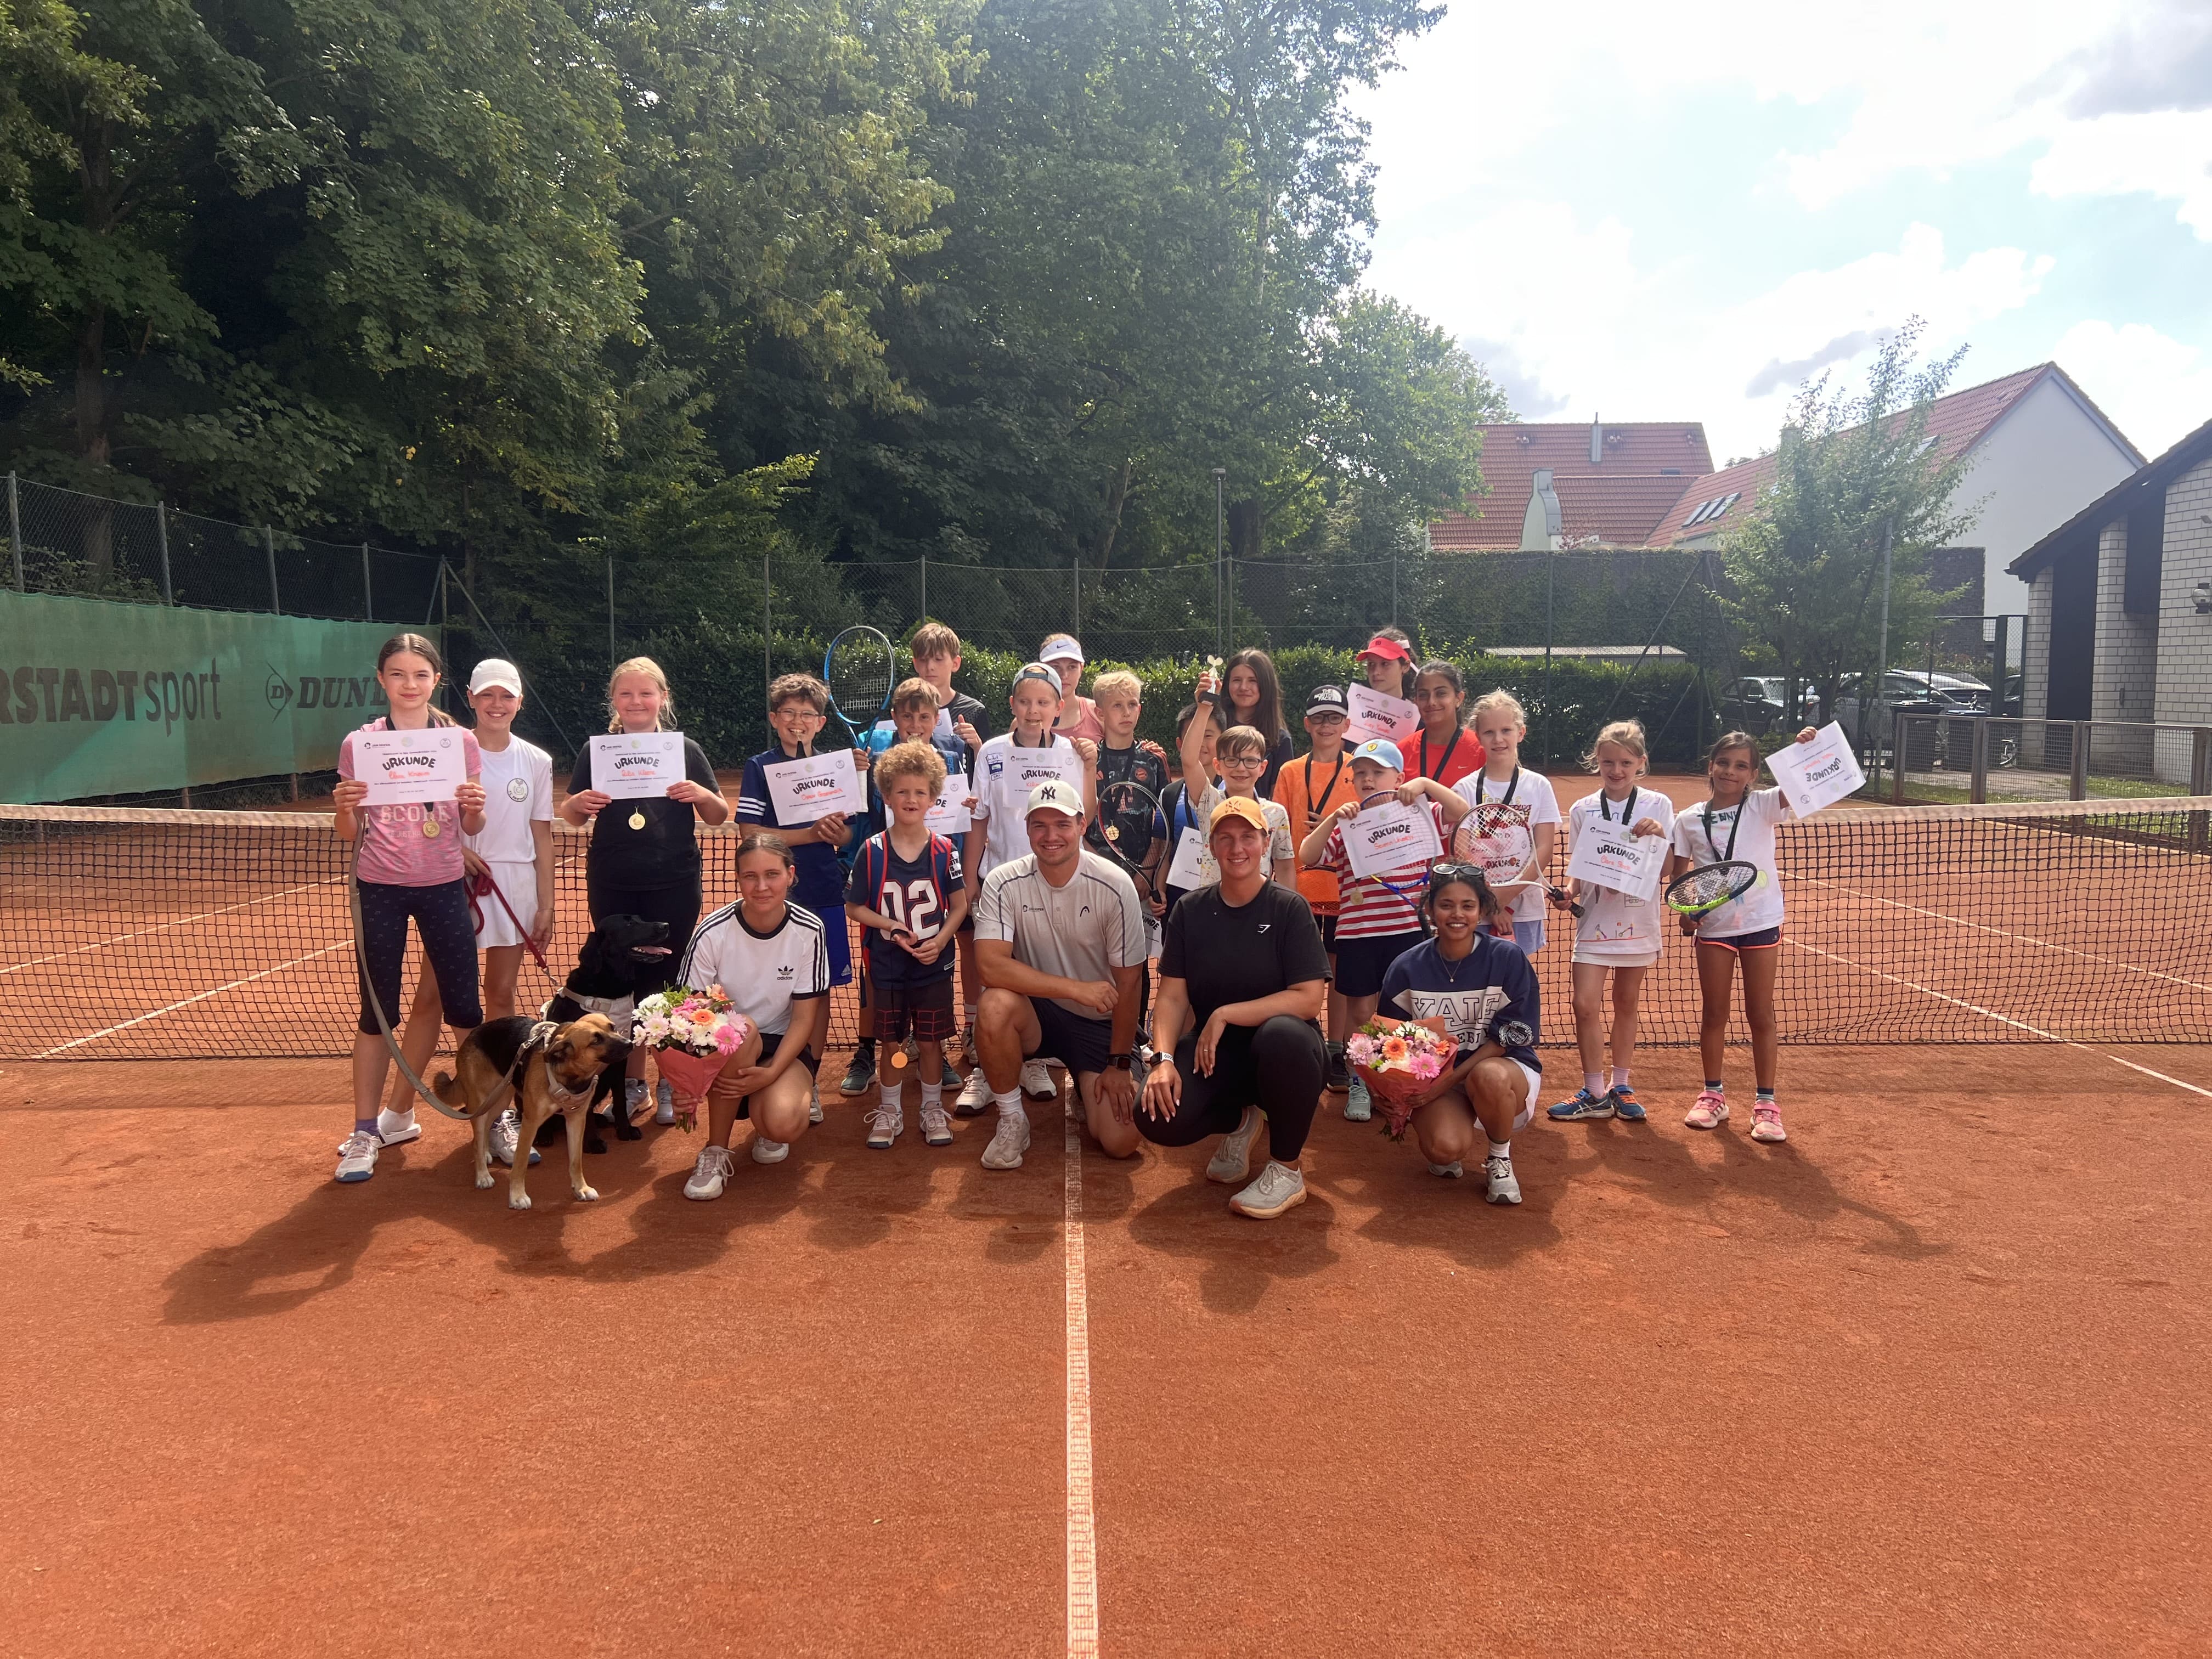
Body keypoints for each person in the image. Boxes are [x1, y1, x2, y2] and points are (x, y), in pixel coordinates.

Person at [379, 657, 555, 1171]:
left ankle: (497, 1116)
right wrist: (455, 851)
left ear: (519, 702)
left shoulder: (537, 761)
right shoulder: (444, 752)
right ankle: (397, 1113)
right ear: (472, 700)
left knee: (501, 996)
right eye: (487, 696)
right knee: (430, 998)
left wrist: (544, 904)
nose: (497, 704)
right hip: (451, 885)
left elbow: (541, 835)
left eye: (507, 696)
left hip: (514, 888)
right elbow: (421, 816)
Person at [331, 633, 486, 1184]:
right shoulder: (361, 744)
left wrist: (473, 809)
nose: (409, 684)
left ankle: (492, 1124)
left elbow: (471, 827)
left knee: (466, 1010)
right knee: (378, 1014)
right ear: (381, 680)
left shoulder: (461, 743)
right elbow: (348, 833)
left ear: (436, 682)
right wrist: (344, 808)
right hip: (381, 889)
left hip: (444, 885)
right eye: (398, 674)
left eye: (420, 675)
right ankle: (366, 1132)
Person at [1139, 797, 1330, 1219]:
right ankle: (1243, 1120)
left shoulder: (1289, 908)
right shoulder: (1190, 910)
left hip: (1286, 1054)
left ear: (1265, 841)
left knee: (1283, 1035)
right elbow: (1171, 997)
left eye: (1247, 836)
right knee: (1154, 1117)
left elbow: (1307, 999)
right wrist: (1164, 1059)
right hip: (1216, 1057)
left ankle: (1286, 1169)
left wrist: (1226, 1013)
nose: (1237, 847)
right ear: (1211, 846)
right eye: (1225, 838)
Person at [561, 657, 730, 1126]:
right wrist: (577, 803)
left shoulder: (686, 751)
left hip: (674, 884)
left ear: (664, 698)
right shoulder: (595, 753)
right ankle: (631, 1084)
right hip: (613, 884)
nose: (637, 702)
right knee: (623, 983)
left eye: (646, 693)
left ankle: (671, 1080)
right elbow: (572, 815)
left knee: (669, 982)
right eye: (627, 694)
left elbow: (718, 815)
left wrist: (700, 794)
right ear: (614, 701)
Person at [970, 780, 1148, 1169]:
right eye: (1040, 825)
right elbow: (990, 965)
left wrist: (1118, 1064)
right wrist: (1074, 990)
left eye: (1062, 824)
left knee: (1121, 1141)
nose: (1051, 836)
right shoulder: (1002, 882)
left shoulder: (1115, 885)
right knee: (995, 1005)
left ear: (1082, 826)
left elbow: (1130, 981)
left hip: (1100, 1026)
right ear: (1027, 828)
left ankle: (1092, 1088)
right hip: (1038, 1016)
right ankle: (1013, 1118)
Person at [1298, 738, 1471, 1122]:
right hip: (1358, 934)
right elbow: (1307, 855)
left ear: (1399, 776)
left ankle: (1400, 1083)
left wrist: (1425, 783)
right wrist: (1332, 819)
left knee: (1407, 1010)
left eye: (1378, 772)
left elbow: (1463, 811)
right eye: (1360, 773)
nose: (1368, 779)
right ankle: (1363, 1084)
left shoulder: (1421, 810)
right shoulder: (1347, 823)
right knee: (1361, 1011)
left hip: (1409, 932)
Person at [958, 663, 1098, 1111]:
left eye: (1043, 703)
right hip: (1000, 884)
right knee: (993, 974)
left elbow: (1085, 820)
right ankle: (986, 1068)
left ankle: (1034, 1060)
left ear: (1059, 708)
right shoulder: (992, 752)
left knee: (1037, 967)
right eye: (1024, 702)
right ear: (1012, 706)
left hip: (1054, 884)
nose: (1033, 711)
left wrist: (1091, 767)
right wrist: (970, 879)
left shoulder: (1073, 753)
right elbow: (979, 822)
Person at [1669, 726, 1819, 1143]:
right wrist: (1686, 913)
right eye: (1723, 763)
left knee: (1760, 1013)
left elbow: (1799, 784)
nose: (1729, 772)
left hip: (1761, 922)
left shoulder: (1765, 805)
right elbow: (1681, 876)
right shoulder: (1688, 819)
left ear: (1753, 773)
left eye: (1740, 766)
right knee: (1714, 1012)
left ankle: (1767, 1104)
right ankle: (1713, 1095)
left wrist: (1802, 749)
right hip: (1715, 927)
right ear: (1710, 766)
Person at [1376, 865, 1543, 1206]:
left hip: (1502, 1068)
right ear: (1430, 909)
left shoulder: (1507, 958)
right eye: (1446, 905)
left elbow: (1508, 1038)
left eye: (1468, 906)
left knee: (1489, 1076)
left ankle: (1499, 1157)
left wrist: (1444, 1083)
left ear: (1482, 910)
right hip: (1438, 1077)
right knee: (1443, 1150)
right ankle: (1452, 1131)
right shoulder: (1406, 967)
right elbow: (1388, 1041)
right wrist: (1385, 1088)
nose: (1457, 914)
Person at [678, 832, 832, 1197]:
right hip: (724, 1046)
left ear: (790, 875)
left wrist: (770, 1073)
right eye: (750, 876)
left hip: (781, 1048)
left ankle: (766, 1114)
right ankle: (715, 1150)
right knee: (741, 1028)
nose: (761, 886)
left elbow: (804, 1019)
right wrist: (689, 1080)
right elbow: (684, 1014)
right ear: (738, 879)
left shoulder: (810, 930)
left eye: (772, 875)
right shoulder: (711, 932)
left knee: (782, 1125)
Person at [735, 673, 857, 1125]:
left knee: (818, 991)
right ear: (775, 718)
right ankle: (760, 1064)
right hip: (773, 894)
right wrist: (809, 833)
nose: (798, 721)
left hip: (824, 889)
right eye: (789, 712)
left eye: (807, 714)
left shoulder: (835, 767)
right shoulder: (758, 766)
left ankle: (807, 1075)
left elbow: (847, 835)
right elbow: (749, 833)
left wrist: (836, 831)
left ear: (821, 722)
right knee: (771, 981)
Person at [847, 678, 969, 1097]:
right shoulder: (872, 849)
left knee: (932, 1034)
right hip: (888, 952)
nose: (911, 799)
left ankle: (933, 1098)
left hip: (933, 956)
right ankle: (889, 1100)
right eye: (902, 793)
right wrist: (890, 926)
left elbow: (958, 903)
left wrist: (941, 939)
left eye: (920, 793)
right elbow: (855, 904)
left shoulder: (944, 846)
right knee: (893, 1040)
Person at [1547, 720, 1674, 1124]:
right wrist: (1569, 894)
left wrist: (1658, 836)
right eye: (1607, 763)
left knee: (1626, 1003)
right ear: (1597, 763)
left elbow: (1667, 869)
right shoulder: (1584, 809)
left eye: (1625, 762)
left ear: (1641, 763)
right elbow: (1580, 872)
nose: (1616, 771)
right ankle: (1594, 1091)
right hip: (1595, 924)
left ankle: (1621, 1084)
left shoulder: (1659, 805)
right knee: (1584, 1005)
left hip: (1638, 920)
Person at [1272, 684, 1361, 1091]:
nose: (1327, 725)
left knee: (1343, 977)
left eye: (1335, 717)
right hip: (1301, 893)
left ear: (1347, 723)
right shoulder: (1291, 771)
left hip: (1347, 894)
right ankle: (1303, 1046)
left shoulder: (1360, 768)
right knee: (1302, 976)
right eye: (1319, 717)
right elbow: (1278, 827)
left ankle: (1337, 1048)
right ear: (1307, 724)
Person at [909, 623, 990, 1058]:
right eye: (922, 659)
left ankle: (975, 1028)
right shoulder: (901, 708)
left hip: (960, 846)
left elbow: (987, 777)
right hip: (911, 850)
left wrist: (977, 748)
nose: (930, 666)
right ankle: (922, 1030)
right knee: (917, 936)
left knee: (968, 939)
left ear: (954, 663)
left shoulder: (973, 710)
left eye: (938, 659)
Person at [1452, 690, 1560, 954]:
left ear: (1520, 733)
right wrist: (1489, 902)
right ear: (1478, 736)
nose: (1498, 739)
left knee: (1516, 985)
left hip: (1523, 909)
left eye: (1506, 730)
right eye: (1489, 732)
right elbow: (1462, 853)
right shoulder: (1463, 789)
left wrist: (1504, 900)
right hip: (1474, 908)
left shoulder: (1538, 786)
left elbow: (1544, 849)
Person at [1180, 665, 1296, 889]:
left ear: (1262, 768)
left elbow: (1285, 867)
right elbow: (1189, 760)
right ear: (1218, 765)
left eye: (1250, 761)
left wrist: (1289, 913)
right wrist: (1204, 708)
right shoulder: (1209, 802)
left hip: (1259, 909)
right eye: (1232, 760)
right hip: (1213, 906)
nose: (1241, 768)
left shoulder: (1276, 813)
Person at [1156, 696, 1226, 919]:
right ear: (1181, 744)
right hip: (1179, 896)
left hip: (1223, 893)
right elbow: (1164, 849)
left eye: (1209, 735)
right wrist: (1159, 888)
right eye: (1195, 736)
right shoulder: (1170, 794)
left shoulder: (1234, 791)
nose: (1202, 743)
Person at [1222, 647, 1295, 798]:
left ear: (1266, 685)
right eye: (1237, 680)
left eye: (1252, 681)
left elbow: (1279, 798)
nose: (1243, 687)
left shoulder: (1280, 739)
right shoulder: (1215, 727)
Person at [1408, 659, 1484, 789]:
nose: (1431, 702)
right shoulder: (1403, 750)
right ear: (1416, 701)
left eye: (1441, 694)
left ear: (1459, 699)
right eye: (1423, 695)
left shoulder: (1481, 750)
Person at [1040, 633, 1105, 744]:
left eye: (1072, 667)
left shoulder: (1099, 713)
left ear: (1081, 669)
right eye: (1056, 667)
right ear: (1042, 669)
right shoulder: (1026, 719)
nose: (1064, 675)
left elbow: (1124, 753)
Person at [1358, 630, 1420, 703]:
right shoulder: (1353, 709)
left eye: (1385, 664)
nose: (1376, 672)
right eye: (1371, 664)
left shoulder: (1418, 712)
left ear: (1406, 666)